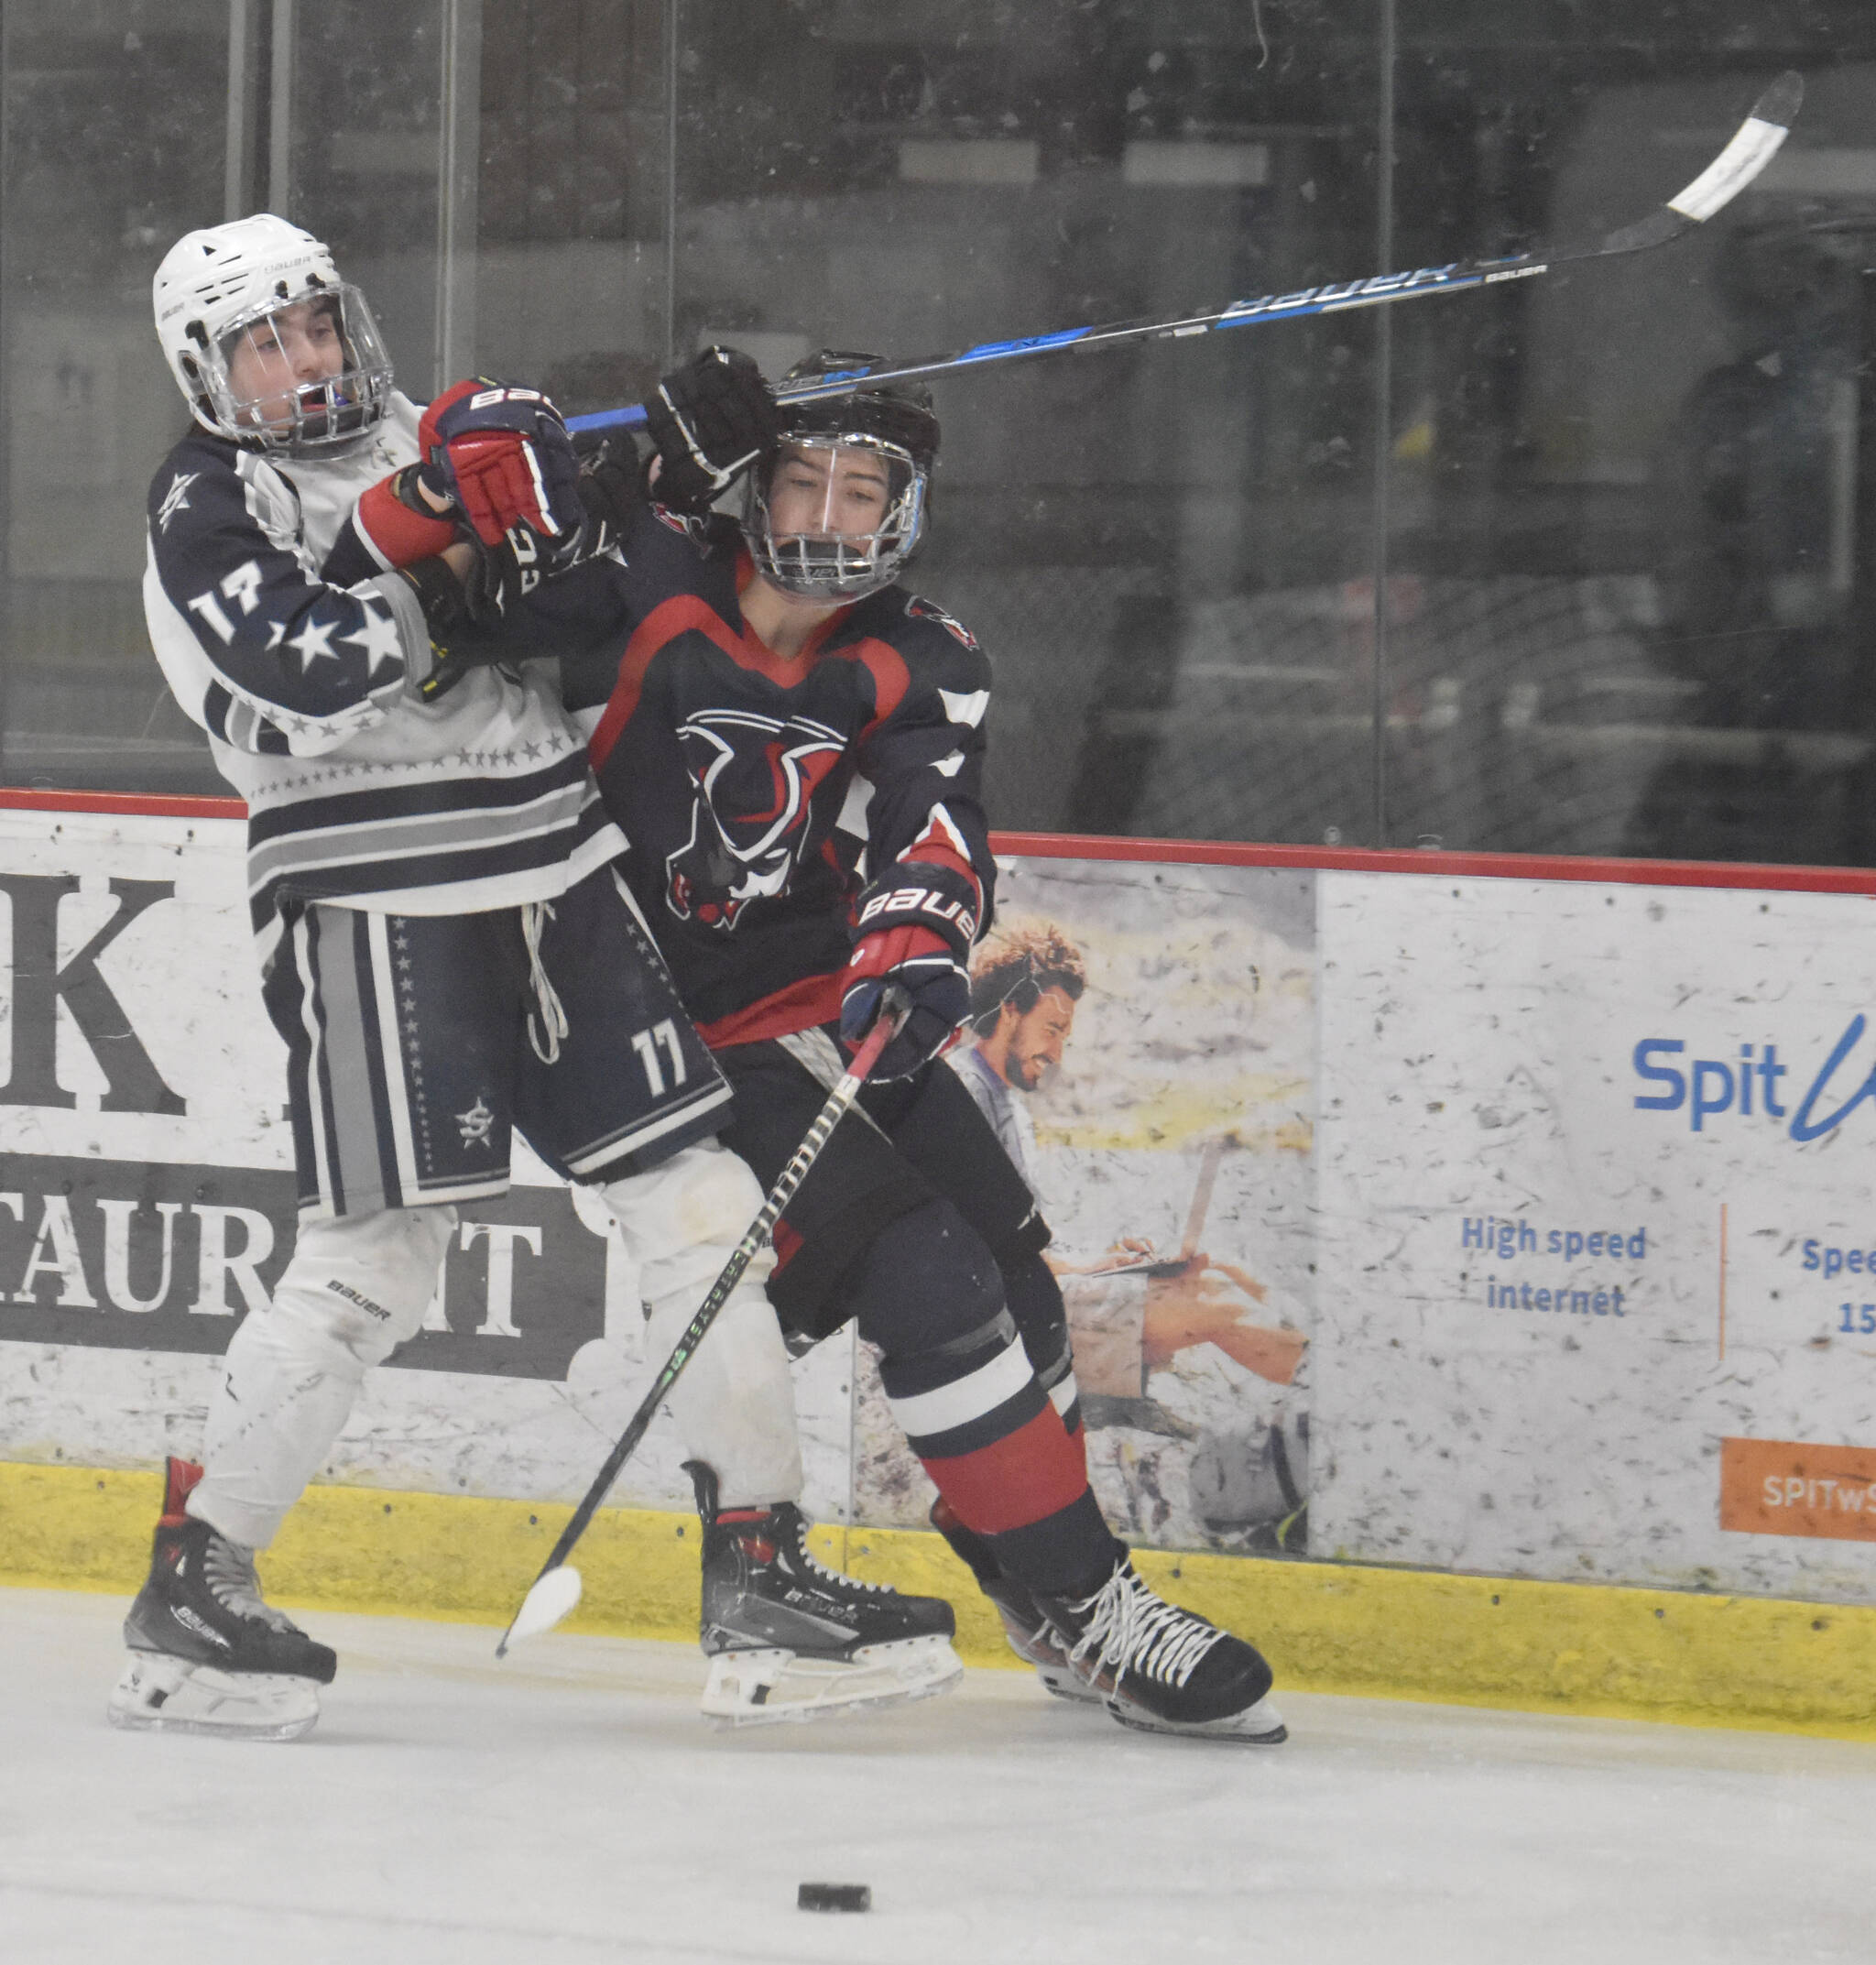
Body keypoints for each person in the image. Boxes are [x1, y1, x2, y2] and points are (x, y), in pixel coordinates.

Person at [119, 216, 955, 1739]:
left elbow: (581, 621)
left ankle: (759, 1572)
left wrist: (654, 484)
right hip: (376, 897)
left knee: (703, 1209)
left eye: (313, 323)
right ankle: (198, 1572)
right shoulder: (205, 500)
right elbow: (300, 673)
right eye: (263, 341)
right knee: (377, 1260)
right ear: (204, 367)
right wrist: (427, 526)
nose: (304, 360)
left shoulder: (431, 430)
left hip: (557, 874)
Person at [529, 347, 1287, 1741]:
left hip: (813, 1009)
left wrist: (920, 938)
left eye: (864, 481)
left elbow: (935, 819)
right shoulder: (643, 587)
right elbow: (517, 543)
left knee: (1019, 1268)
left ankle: (1048, 1604)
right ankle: (1100, 1598)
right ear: (748, 483)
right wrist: (637, 457)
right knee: (922, 1264)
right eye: (801, 472)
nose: (832, 506)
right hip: (648, 1036)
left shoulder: (924, 651)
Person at [954, 922, 1311, 1548]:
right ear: (1009, 1010)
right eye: (1053, 1028)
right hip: (1002, 1326)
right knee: (1210, 1304)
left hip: (1032, 1297)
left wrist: (1103, 1265)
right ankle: (1332, 1432)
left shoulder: (1000, 1098)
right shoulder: (964, 1095)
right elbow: (986, 1256)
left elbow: (1019, 1244)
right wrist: (1095, 1275)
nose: (1059, 1051)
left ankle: (1313, 1406)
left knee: (1215, 1275)